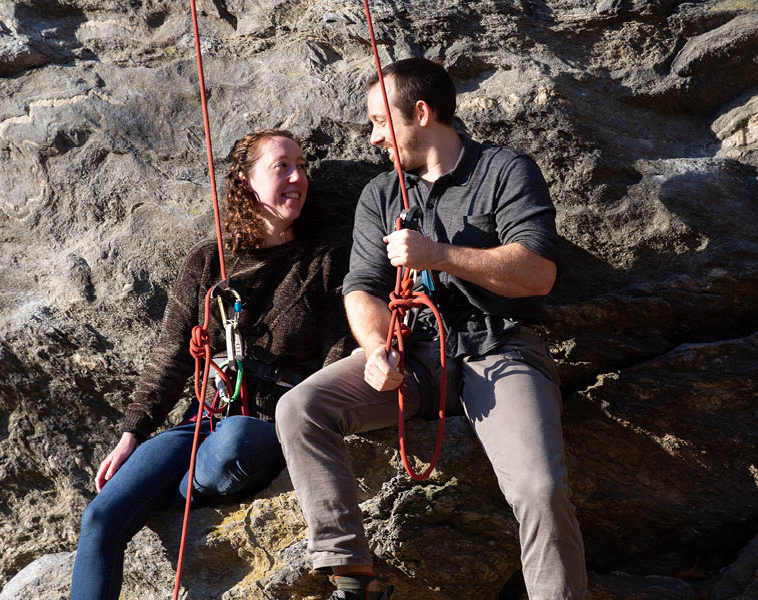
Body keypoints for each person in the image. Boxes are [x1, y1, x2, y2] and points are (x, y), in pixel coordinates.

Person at [275, 58, 587, 600]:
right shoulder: (381, 194)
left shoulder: (504, 171)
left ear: (421, 113)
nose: (374, 138)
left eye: (380, 122)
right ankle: (352, 576)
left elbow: (538, 274)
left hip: (499, 346)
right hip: (414, 354)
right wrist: (375, 348)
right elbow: (362, 288)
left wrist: (439, 255)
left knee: (540, 489)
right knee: (300, 409)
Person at [70, 129, 351, 600]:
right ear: (245, 182)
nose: (299, 177)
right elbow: (171, 356)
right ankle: (159, 485)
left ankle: (164, 489)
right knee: (101, 515)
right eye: (282, 167)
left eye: (301, 167)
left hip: (274, 420)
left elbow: (338, 355)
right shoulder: (208, 262)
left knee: (236, 446)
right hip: (203, 419)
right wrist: (131, 437)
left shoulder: (324, 261)